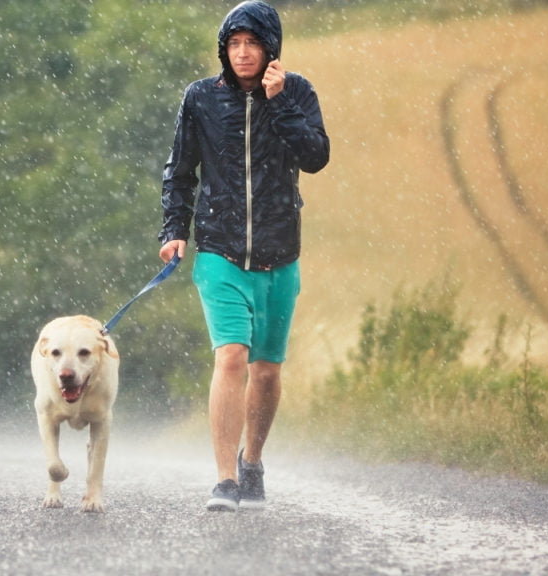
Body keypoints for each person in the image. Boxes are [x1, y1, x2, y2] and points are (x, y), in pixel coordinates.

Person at [158, 0, 330, 511]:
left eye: (253, 43)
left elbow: (316, 157)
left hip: (280, 253)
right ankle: (225, 479)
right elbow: (180, 171)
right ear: (223, 50)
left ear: (271, 48)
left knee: (268, 371)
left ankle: (252, 461)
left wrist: (280, 103)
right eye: (233, 44)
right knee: (231, 357)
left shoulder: (297, 92)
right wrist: (174, 230)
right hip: (219, 251)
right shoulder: (201, 99)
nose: (242, 53)